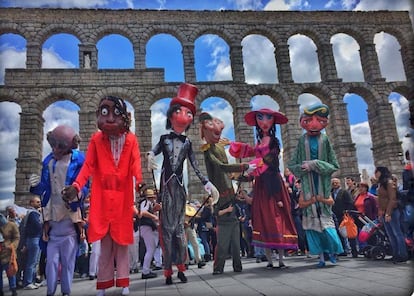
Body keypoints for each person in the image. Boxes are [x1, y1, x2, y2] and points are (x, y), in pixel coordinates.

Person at [62, 95, 143, 296]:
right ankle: (104, 284)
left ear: (125, 116)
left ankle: (124, 283)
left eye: (115, 113)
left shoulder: (131, 140)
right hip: (103, 198)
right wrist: (76, 186)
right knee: (105, 246)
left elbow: (135, 163)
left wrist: (140, 182)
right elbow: (88, 165)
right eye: (104, 113)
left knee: (122, 243)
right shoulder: (96, 139)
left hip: (123, 197)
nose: (109, 119)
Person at [147, 83, 216, 285]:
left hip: (179, 188)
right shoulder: (163, 138)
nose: (184, 116)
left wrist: (207, 183)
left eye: (188, 113)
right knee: (167, 231)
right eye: (180, 111)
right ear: (171, 116)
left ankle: (182, 268)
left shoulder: (187, 143)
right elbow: (154, 151)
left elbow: (195, 165)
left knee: (179, 229)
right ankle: (168, 271)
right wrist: (150, 155)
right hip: (166, 186)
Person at [230, 107, 298, 269]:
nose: (265, 122)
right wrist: (242, 173)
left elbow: (270, 159)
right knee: (262, 220)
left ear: (273, 121)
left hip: (273, 183)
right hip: (260, 184)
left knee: (277, 220)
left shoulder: (274, 142)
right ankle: (269, 260)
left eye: (268, 118)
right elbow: (252, 158)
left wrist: (254, 165)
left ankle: (281, 260)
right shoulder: (259, 143)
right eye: (260, 118)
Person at [29, 125, 88, 296]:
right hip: (52, 216)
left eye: (60, 146)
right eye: (53, 144)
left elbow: (85, 185)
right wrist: (34, 186)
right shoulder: (48, 161)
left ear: (71, 145)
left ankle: (66, 292)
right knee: (51, 262)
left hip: (69, 216)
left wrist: (76, 192)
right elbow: (44, 187)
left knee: (68, 262)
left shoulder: (78, 159)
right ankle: (50, 291)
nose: (55, 149)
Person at [288, 103, 343, 268]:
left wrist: (316, 164)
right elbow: (293, 165)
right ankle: (320, 257)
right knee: (313, 227)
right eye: (309, 119)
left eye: (318, 120)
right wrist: (303, 168)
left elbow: (334, 165)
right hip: (308, 187)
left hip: (323, 186)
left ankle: (332, 252)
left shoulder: (325, 140)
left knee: (327, 227)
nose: (313, 124)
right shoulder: (301, 140)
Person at [199, 112, 255, 275]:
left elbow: (228, 173)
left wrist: (244, 174)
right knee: (223, 242)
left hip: (230, 197)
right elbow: (222, 167)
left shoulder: (218, 146)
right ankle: (218, 268)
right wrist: (243, 166)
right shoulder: (208, 150)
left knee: (236, 242)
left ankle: (238, 266)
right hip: (222, 198)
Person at [375, 166, 408, 263]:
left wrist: (388, 213)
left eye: (376, 172)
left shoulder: (389, 183)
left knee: (397, 233)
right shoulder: (381, 184)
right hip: (385, 212)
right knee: (390, 234)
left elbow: (392, 199)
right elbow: (381, 199)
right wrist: (381, 211)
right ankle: (395, 254)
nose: (375, 174)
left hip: (392, 211)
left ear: (381, 172)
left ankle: (403, 255)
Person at [138, 186, 161, 280]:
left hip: (147, 227)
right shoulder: (146, 202)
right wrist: (154, 217)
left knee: (151, 248)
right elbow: (143, 212)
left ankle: (146, 269)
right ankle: (145, 271)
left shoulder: (149, 204)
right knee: (151, 249)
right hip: (146, 227)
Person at [20, 196, 42, 289]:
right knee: (32, 262)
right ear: (31, 203)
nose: (39, 203)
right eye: (37, 202)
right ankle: (28, 282)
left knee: (35, 262)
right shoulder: (33, 213)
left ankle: (32, 281)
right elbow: (38, 226)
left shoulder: (34, 213)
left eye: (39, 202)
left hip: (35, 238)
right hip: (34, 238)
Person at [331, 177, 355, 256]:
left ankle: (348, 249)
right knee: (338, 233)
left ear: (339, 183)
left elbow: (350, 202)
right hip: (334, 215)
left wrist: (347, 211)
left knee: (345, 232)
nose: (334, 184)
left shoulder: (344, 192)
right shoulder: (331, 193)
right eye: (333, 183)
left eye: (336, 182)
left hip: (343, 215)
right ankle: (342, 249)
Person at [0, 213, 19, 296]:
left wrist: (12, 246)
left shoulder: (11, 225)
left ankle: (13, 289)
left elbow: (16, 237)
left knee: (11, 271)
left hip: (8, 252)